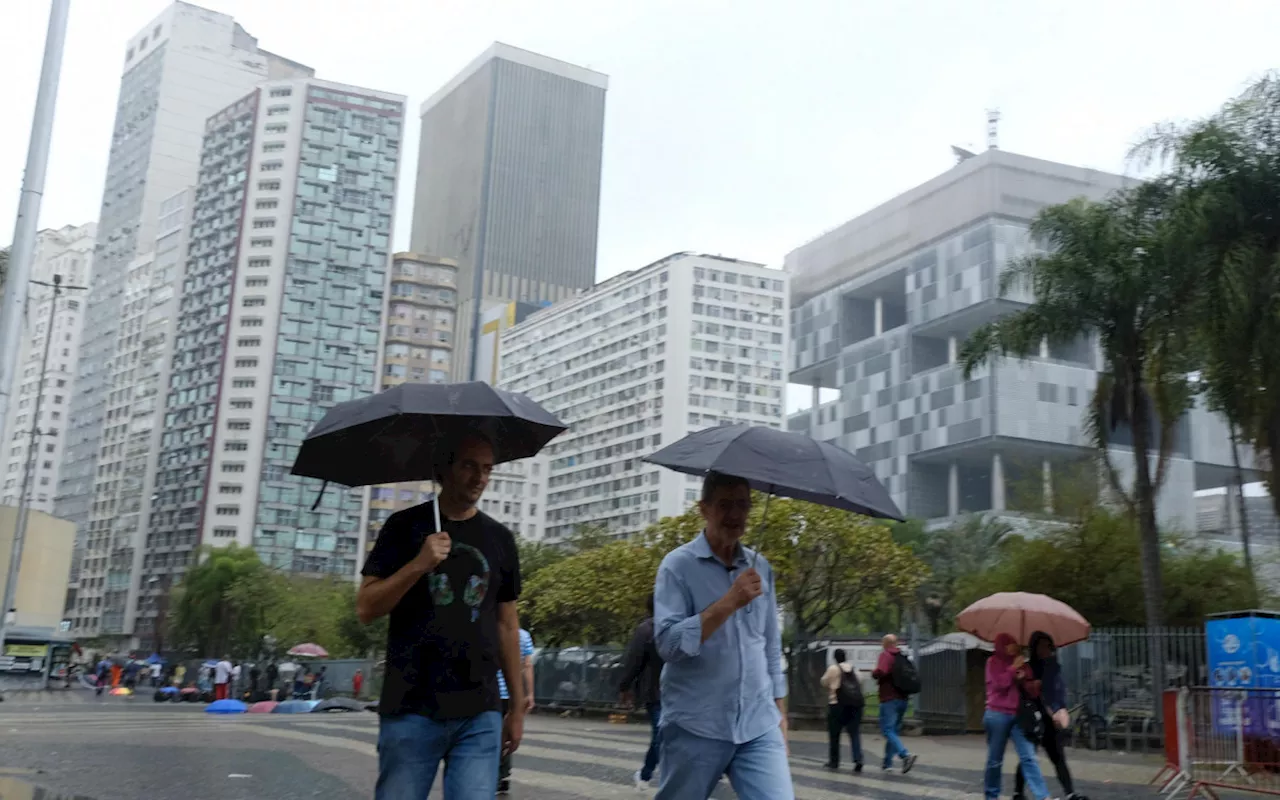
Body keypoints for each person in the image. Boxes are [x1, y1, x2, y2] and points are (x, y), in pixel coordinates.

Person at [357, 432, 525, 800]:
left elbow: (507, 624)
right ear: (443, 470)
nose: (480, 477)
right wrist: (418, 564)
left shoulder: (499, 539)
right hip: (412, 705)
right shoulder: (403, 528)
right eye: (469, 466)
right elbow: (366, 608)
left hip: (479, 710)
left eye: (487, 469)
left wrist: (515, 706)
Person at [653, 472, 792, 800]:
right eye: (724, 505)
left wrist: (779, 715)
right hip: (696, 725)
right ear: (704, 508)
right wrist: (730, 601)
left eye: (742, 505)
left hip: (758, 725)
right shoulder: (677, 566)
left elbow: (770, 647)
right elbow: (668, 644)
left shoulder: (762, 568)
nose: (734, 515)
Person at [1015, 631, 1083, 800]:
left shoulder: (1054, 667)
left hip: (1053, 720)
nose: (1045, 649)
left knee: (1058, 757)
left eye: (1048, 646)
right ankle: (1018, 792)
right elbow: (1024, 693)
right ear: (1034, 648)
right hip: (1035, 718)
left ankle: (1070, 792)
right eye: (1041, 646)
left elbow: (1058, 691)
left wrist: (1060, 709)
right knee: (1028, 757)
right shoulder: (1028, 668)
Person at [984, 633, 1051, 800]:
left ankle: (1042, 796)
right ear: (1002, 646)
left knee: (1028, 756)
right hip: (997, 714)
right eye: (1009, 644)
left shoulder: (1020, 662)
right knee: (995, 760)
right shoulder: (992, 662)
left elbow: (1030, 690)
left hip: (1018, 716)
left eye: (1014, 644)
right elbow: (1000, 684)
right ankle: (991, 795)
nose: (1013, 647)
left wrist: (1028, 682)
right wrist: (1013, 669)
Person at [618, 593, 663, 790]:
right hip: (656, 692)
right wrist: (624, 687)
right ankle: (645, 774)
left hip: (683, 692)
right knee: (661, 735)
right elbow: (633, 661)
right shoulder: (646, 630)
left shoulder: (683, 624)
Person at [495, 627, 534, 794]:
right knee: (508, 735)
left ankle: (494, 776)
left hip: (492, 693)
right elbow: (527, 666)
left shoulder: (492, 629)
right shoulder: (524, 636)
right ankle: (503, 776)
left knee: (492, 736)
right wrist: (529, 694)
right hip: (512, 695)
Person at [871, 634, 917, 773]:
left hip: (889, 698)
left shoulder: (886, 655)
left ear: (885, 643)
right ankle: (887, 763)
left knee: (887, 730)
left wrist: (874, 673)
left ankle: (905, 755)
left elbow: (881, 671)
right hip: (903, 699)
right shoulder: (901, 656)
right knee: (893, 732)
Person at [820, 648, 865, 773]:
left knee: (834, 734)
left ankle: (834, 761)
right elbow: (861, 681)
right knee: (854, 733)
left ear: (835, 658)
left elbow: (823, 682)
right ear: (845, 657)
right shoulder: (854, 669)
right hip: (854, 705)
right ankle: (858, 759)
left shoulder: (833, 669)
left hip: (837, 705)